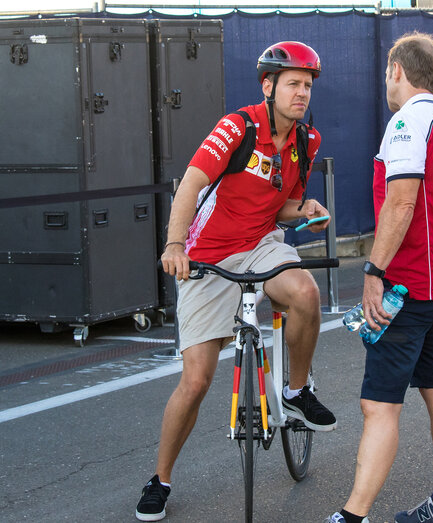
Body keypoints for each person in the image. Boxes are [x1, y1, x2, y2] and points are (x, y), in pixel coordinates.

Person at [136, 41, 337, 522]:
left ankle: (295, 392)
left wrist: (305, 209)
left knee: (305, 291)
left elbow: (280, 205)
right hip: (208, 255)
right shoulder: (238, 126)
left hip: (263, 243)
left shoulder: (307, 143)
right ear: (268, 86)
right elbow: (192, 181)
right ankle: (160, 479)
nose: (302, 93)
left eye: (307, 85)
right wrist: (174, 245)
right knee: (197, 380)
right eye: (292, 83)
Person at [325, 32, 433, 523]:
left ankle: (354, 516)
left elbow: (401, 201)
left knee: (379, 406)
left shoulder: (405, 123)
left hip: (405, 288)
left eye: (387, 71)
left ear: (397, 69)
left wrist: (374, 270)